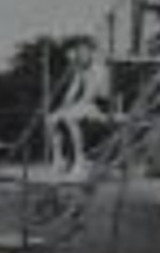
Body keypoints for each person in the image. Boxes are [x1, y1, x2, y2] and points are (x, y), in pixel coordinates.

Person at [47, 39, 113, 179]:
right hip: (86, 104)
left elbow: (93, 93)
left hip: (101, 106)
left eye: (84, 53)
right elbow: (73, 89)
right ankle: (59, 160)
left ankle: (80, 161)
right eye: (79, 54)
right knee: (51, 119)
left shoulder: (99, 69)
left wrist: (72, 108)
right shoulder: (80, 69)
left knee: (70, 118)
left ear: (91, 54)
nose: (80, 57)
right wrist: (64, 106)